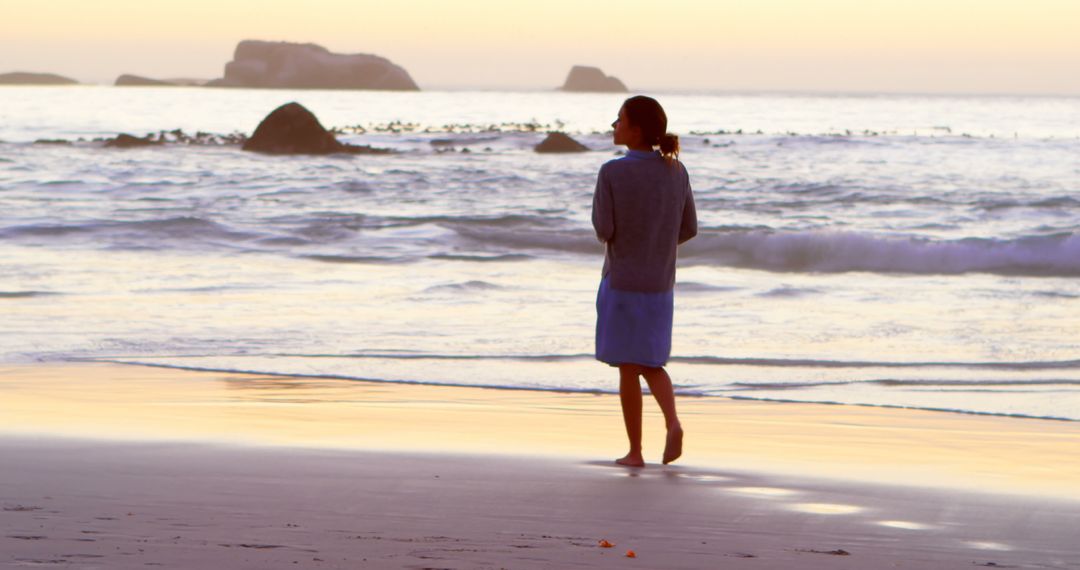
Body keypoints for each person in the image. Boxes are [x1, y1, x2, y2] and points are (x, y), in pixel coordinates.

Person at [592, 95, 697, 467]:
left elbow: (605, 229)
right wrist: (657, 243)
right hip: (660, 283)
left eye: (619, 119)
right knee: (652, 362)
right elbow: (688, 228)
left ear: (635, 129)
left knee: (626, 367)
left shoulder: (613, 172)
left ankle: (635, 452)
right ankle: (672, 422)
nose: (614, 125)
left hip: (622, 281)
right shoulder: (676, 171)